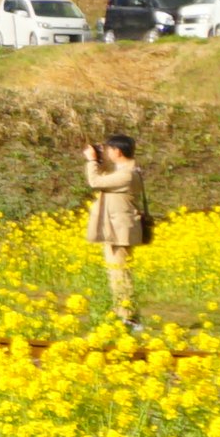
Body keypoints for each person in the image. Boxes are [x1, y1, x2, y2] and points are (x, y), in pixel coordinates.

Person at [84, 133, 151, 328]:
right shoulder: (126, 171)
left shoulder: (127, 175)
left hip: (120, 232)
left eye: (109, 149)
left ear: (118, 151)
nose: (107, 152)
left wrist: (91, 161)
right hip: (116, 229)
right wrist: (100, 160)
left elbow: (95, 182)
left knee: (120, 273)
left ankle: (128, 317)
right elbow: (106, 178)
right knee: (116, 273)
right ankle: (122, 312)